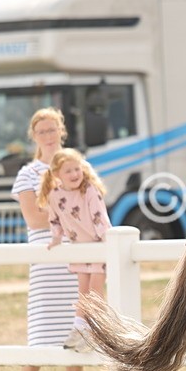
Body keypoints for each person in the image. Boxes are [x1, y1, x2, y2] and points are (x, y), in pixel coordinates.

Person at [9, 108, 83, 371]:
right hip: (45, 259)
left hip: (76, 254)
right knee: (40, 328)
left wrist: (63, 217)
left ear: (61, 131)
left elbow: (90, 203)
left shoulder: (76, 165)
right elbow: (33, 218)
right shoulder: (27, 174)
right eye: (42, 131)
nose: (48, 136)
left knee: (75, 327)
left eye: (52, 129)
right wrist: (68, 216)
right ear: (34, 136)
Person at [37, 148, 111, 353]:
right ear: (57, 174)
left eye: (77, 169)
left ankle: (96, 331)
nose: (74, 174)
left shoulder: (89, 190)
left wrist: (107, 243)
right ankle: (79, 328)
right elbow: (54, 219)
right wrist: (56, 238)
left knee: (95, 290)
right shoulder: (55, 195)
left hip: (98, 245)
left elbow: (100, 217)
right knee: (83, 291)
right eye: (68, 171)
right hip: (79, 248)